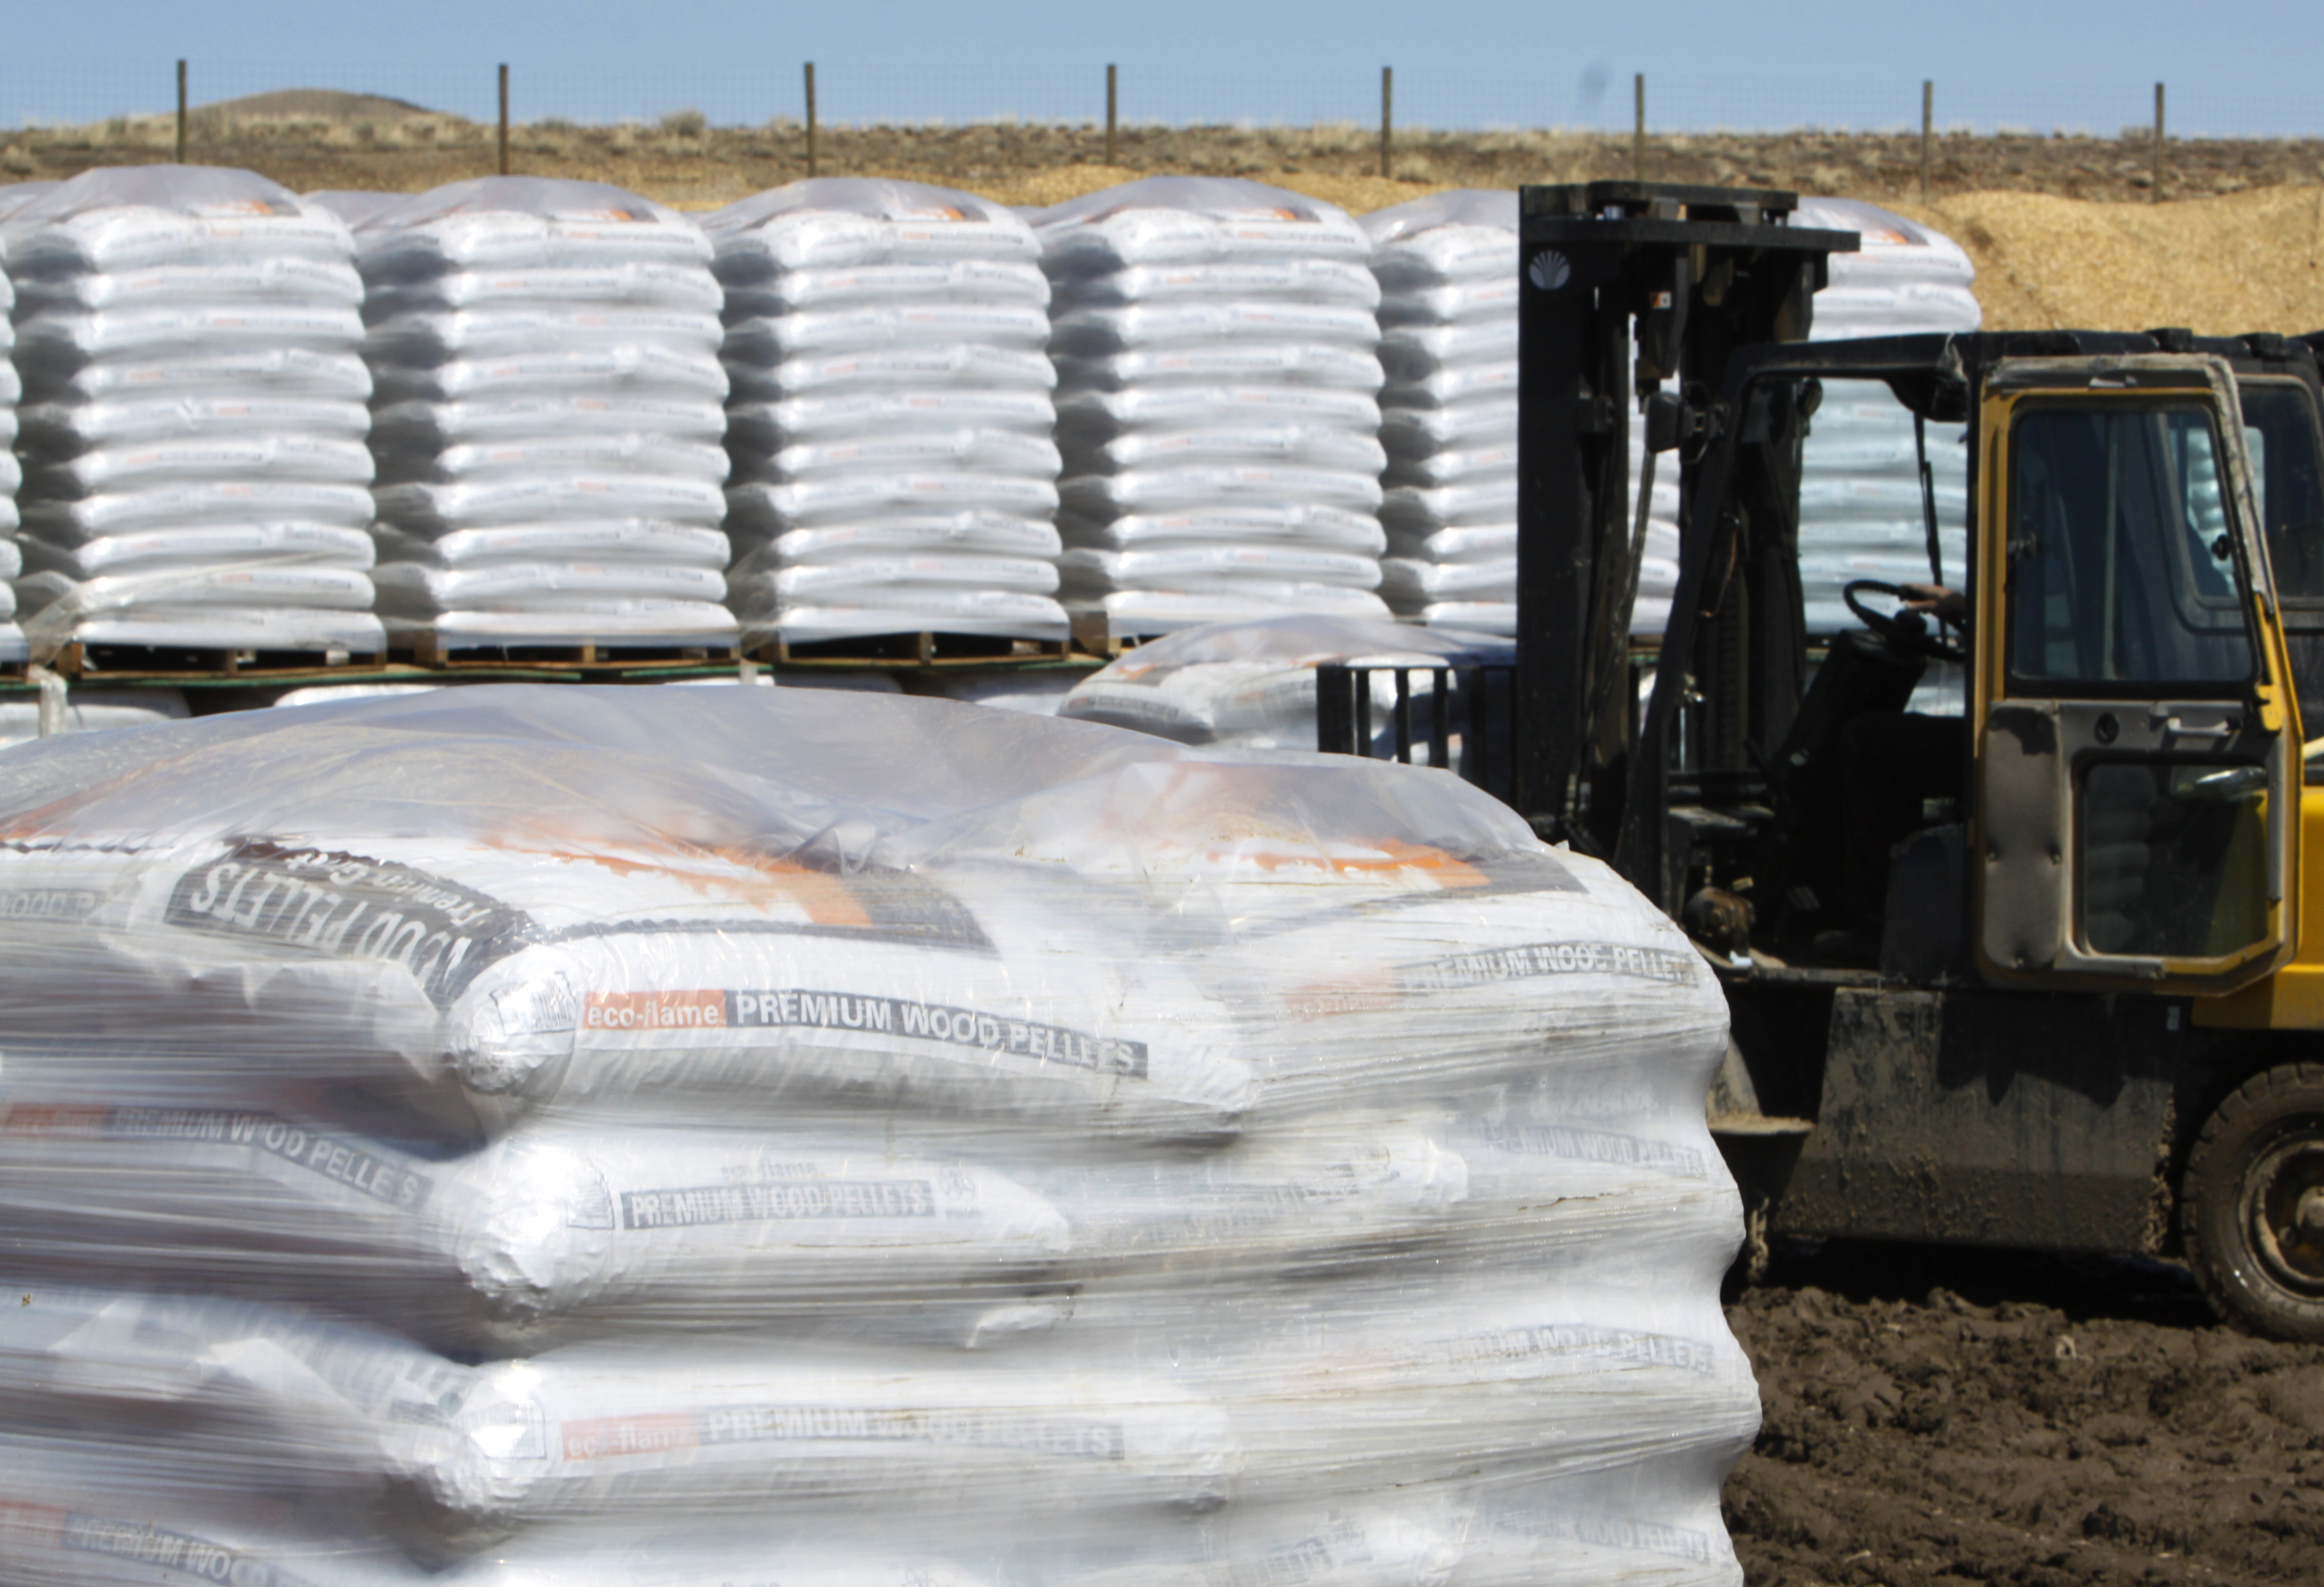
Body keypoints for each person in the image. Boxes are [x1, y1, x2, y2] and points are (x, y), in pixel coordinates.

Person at [1828, 583, 1968, 963]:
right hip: (2016, 736)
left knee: (1867, 743)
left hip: (2008, 743)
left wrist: (1965, 606)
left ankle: (1876, 922)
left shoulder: (2042, 570)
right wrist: (1959, 607)